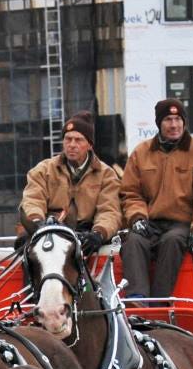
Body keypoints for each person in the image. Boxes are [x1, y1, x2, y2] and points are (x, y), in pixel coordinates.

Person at [118, 97, 193, 298]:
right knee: (133, 241)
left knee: (172, 241)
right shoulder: (141, 153)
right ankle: (136, 299)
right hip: (151, 222)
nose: (174, 125)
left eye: (178, 119)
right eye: (168, 119)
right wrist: (138, 218)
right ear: (159, 123)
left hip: (182, 224)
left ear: (184, 122)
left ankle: (160, 300)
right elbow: (131, 193)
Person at [19, 110, 122, 261]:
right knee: (28, 255)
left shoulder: (106, 174)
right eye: (68, 139)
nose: (72, 145)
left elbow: (110, 211)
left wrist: (99, 233)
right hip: (49, 232)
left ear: (89, 145)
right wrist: (37, 223)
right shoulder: (43, 170)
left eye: (78, 140)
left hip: (87, 236)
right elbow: (32, 200)